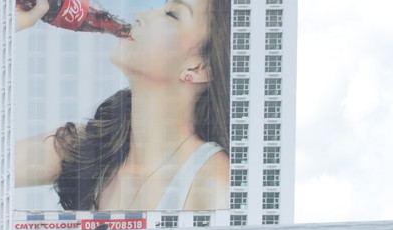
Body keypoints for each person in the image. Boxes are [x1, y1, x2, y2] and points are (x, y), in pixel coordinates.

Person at [14, 0, 231, 215]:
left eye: (172, 14)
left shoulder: (211, 180)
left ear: (198, 68)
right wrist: (10, 23)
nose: (142, 14)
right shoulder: (88, 146)